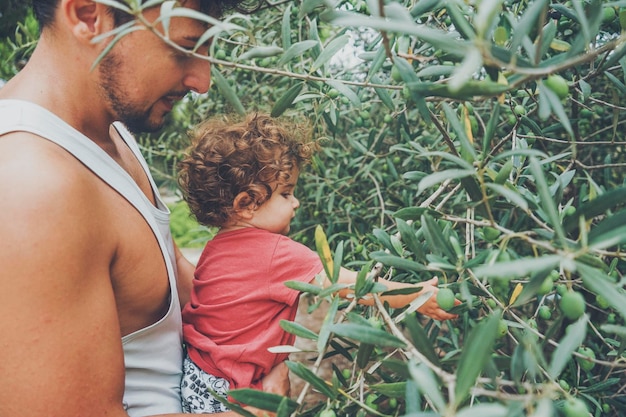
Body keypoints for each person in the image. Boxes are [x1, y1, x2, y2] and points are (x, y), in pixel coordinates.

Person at [0, 1, 288, 416]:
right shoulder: (33, 186)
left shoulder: (109, 133)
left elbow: (181, 290)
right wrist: (258, 411)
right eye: (185, 46)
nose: (202, 81)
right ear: (87, 15)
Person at [176, 113, 458, 413]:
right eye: (286, 194)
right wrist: (417, 296)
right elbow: (349, 285)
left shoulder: (214, 248)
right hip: (231, 391)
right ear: (246, 204)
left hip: (197, 382)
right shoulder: (275, 253)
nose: (295, 202)